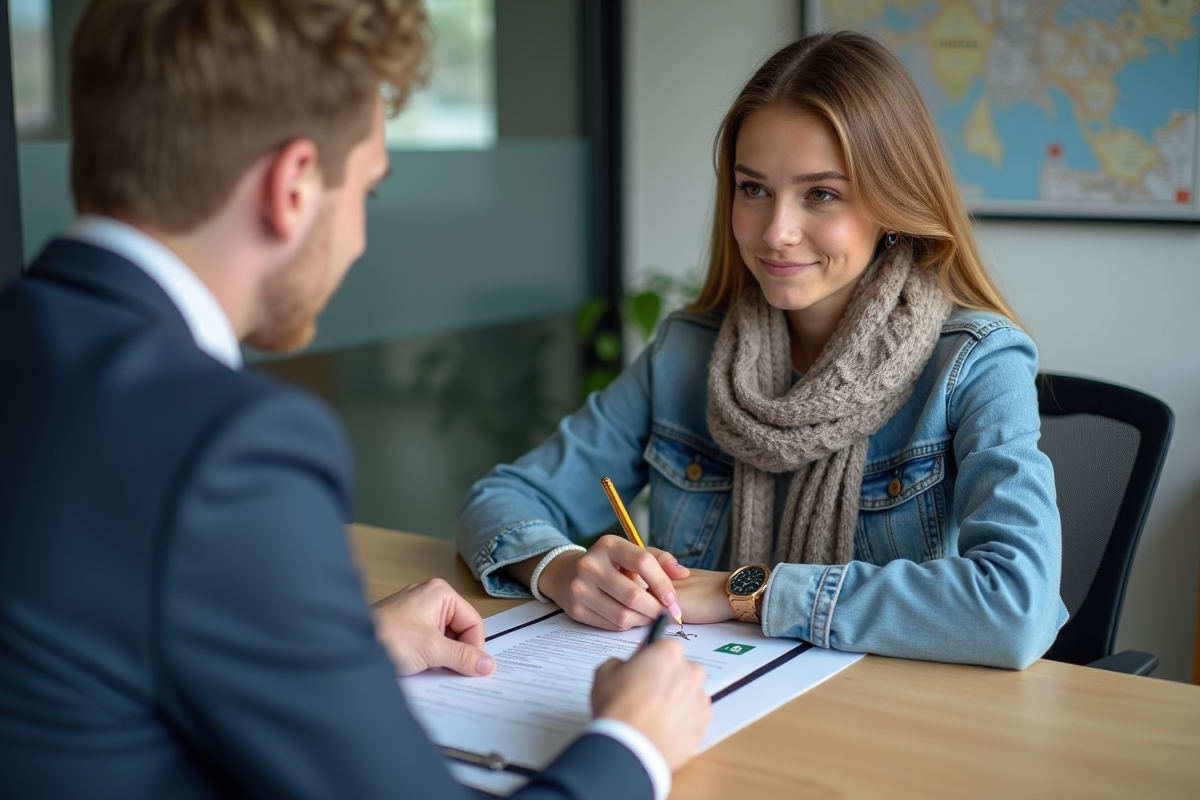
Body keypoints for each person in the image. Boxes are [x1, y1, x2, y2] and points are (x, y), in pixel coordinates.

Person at [0, 1, 710, 798]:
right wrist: (632, 743)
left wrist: (343, 650)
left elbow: (88, 655)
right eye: (367, 192)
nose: (361, 240)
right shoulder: (228, 445)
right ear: (294, 184)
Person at [457, 31, 1069, 670]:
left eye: (821, 194)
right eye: (753, 189)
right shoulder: (686, 354)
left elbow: (1016, 607)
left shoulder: (978, 364)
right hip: (702, 701)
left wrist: (745, 591)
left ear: (893, 204)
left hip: (891, 724)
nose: (776, 231)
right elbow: (501, 500)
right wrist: (560, 569)